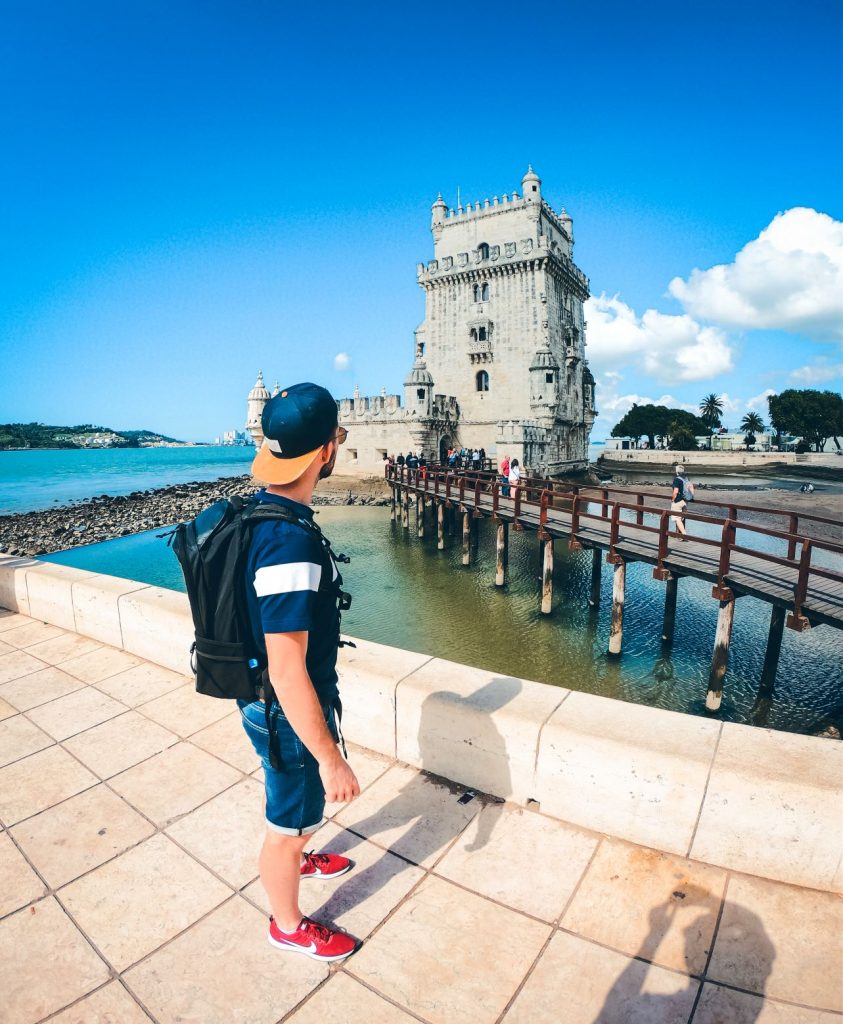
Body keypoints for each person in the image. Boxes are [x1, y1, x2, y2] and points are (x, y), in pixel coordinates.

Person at [244, 382, 361, 962]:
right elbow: (288, 669)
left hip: (267, 702)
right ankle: (287, 923)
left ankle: (301, 847)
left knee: (297, 806)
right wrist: (331, 757)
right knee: (284, 821)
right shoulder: (287, 542)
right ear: (326, 451)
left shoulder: (262, 511)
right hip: (283, 709)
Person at [670, 464, 693, 540]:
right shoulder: (686, 479)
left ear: (676, 471)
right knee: (681, 517)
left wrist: (673, 499)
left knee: (677, 518)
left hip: (678, 501)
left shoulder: (676, 479)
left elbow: (675, 491)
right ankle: (679, 535)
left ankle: (683, 535)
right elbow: (691, 489)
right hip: (685, 501)